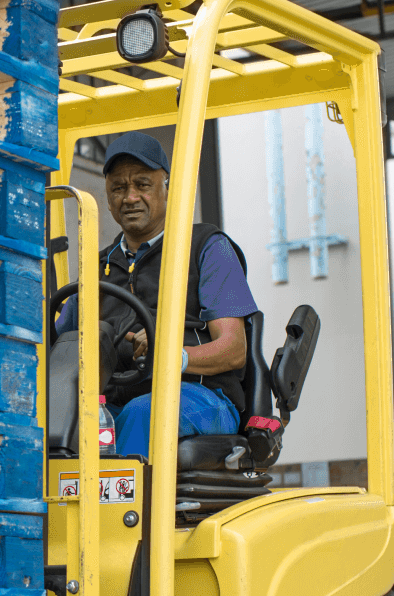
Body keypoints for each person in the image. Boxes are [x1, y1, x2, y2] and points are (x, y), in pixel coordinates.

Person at [55, 131, 258, 458]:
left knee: (144, 413)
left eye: (142, 184)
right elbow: (60, 342)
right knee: (61, 422)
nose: (130, 197)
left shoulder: (205, 247)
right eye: (118, 188)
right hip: (119, 402)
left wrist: (173, 356)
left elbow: (234, 349)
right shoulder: (98, 267)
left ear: (167, 186)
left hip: (201, 397)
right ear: (107, 198)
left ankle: (129, 508)